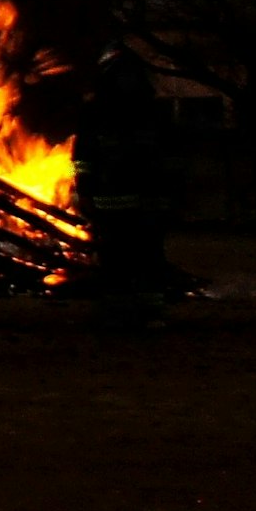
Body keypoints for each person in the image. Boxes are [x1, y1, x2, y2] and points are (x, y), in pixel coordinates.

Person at [75, 49, 178, 329]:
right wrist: (84, 190)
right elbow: (83, 157)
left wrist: (169, 193)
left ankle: (151, 311)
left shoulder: (155, 112)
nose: (127, 80)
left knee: (149, 255)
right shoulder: (94, 113)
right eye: (121, 75)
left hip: (149, 199)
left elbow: (170, 155)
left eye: (131, 74)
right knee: (114, 257)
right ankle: (115, 313)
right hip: (111, 199)